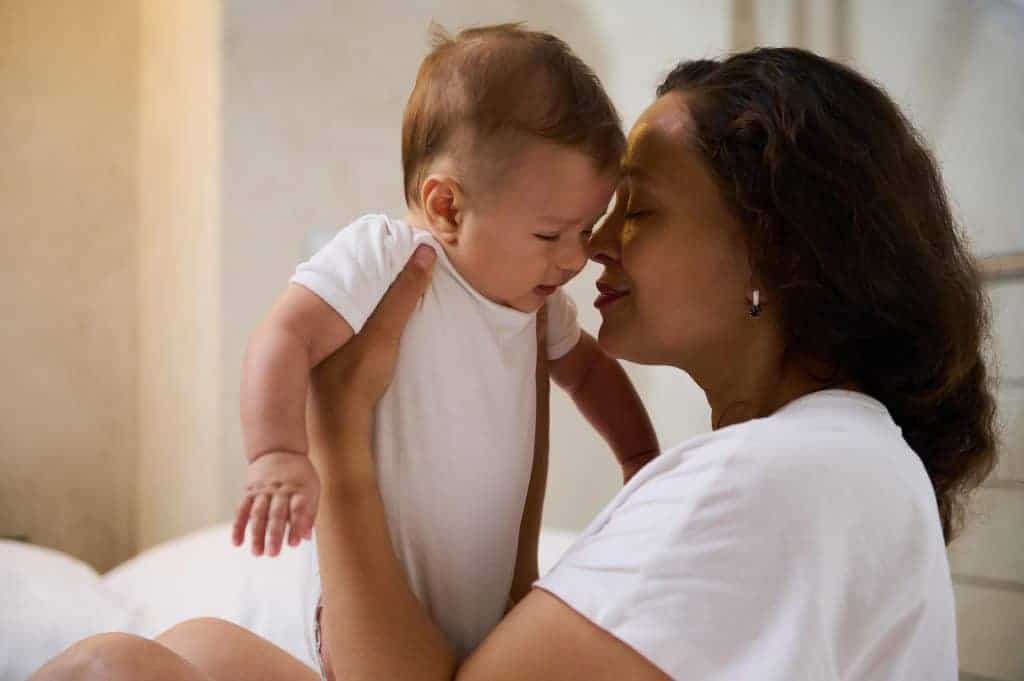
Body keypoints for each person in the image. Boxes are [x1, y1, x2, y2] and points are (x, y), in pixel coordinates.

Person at [30, 46, 995, 681]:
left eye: (637, 210)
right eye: (579, 220)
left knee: (114, 669)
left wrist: (340, 435)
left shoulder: (772, 475)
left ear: (773, 249)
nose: (595, 248)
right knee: (194, 644)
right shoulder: (831, 453)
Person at [232, 22, 657, 670]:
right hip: (365, 606)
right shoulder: (389, 256)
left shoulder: (541, 305)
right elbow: (283, 335)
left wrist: (640, 458)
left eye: (586, 229)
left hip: (482, 609)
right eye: (550, 234)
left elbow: (591, 374)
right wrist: (277, 453)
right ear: (448, 208)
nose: (577, 257)